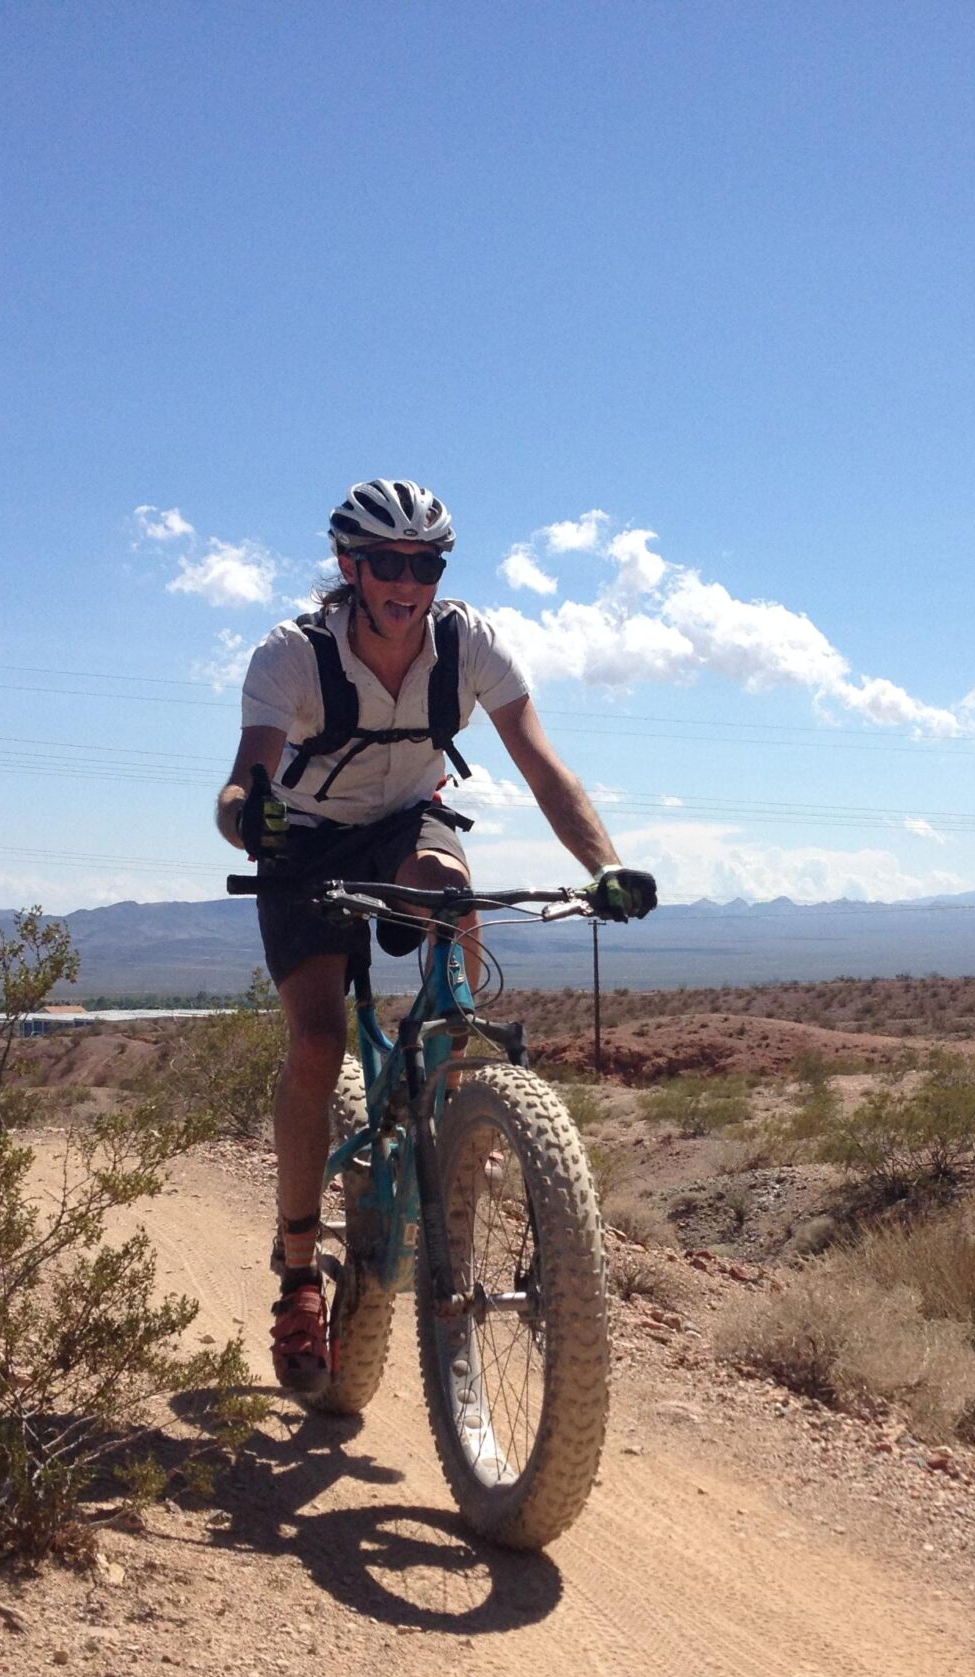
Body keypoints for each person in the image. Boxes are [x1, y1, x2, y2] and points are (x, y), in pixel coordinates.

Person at [215, 478, 656, 1391]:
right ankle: (299, 1280)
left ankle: (452, 1104)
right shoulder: (292, 657)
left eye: (424, 563)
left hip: (409, 821)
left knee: (453, 891)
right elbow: (240, 784)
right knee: (314, 1043)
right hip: (300, 839)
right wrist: (247, 820)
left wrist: (605, 865)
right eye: (387, 563)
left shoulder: (467, 645)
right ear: (351, 568)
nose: (406, 580)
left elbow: (544, 769)